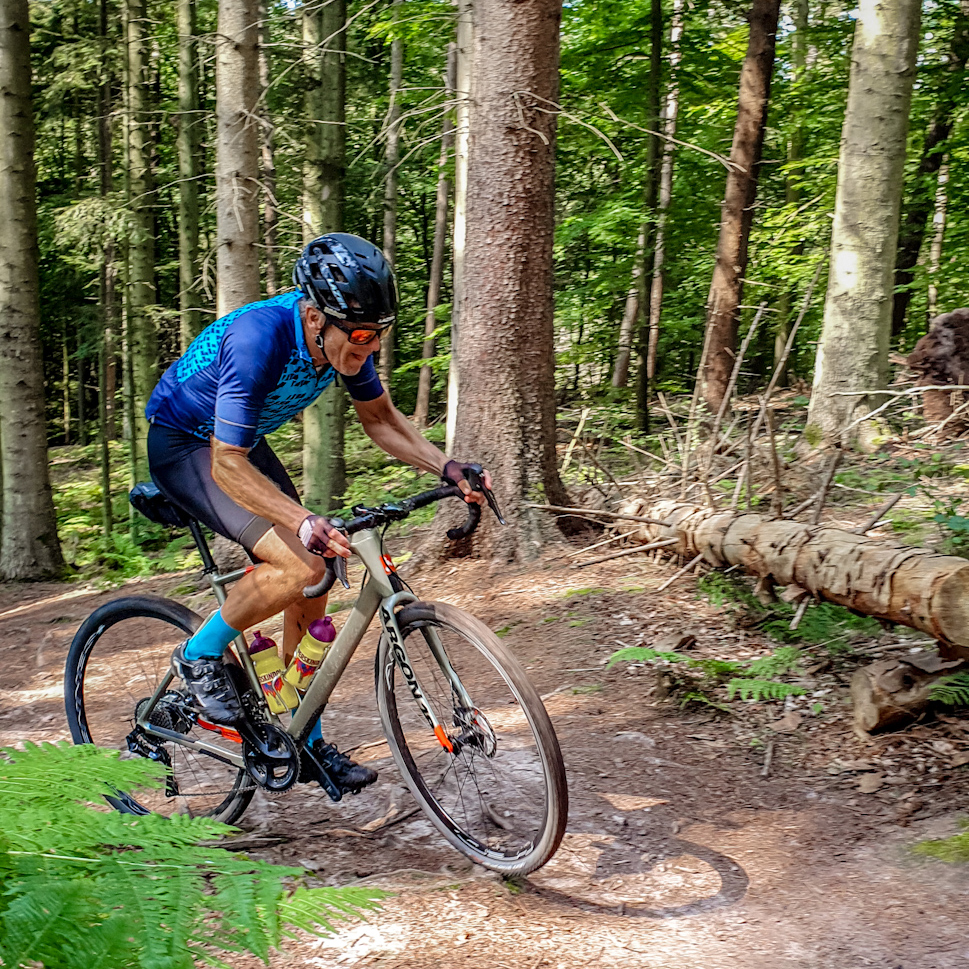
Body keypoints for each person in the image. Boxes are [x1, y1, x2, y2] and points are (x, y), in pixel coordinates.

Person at [145, 233, 491, 792]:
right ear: (313, 316)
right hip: (187, 444)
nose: (368, 350)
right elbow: (227, 464)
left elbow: (380, 420)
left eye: (378, 336)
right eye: (358, 337)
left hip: (238, 442)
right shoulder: (259, 337)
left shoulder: (345, 340)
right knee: (299, 564)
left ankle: (304, 739)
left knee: (319, 574)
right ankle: (199, 655)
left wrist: (446, 467)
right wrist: (303, 520)